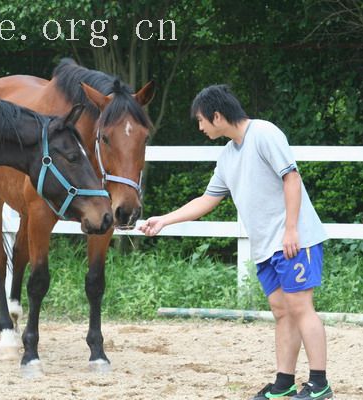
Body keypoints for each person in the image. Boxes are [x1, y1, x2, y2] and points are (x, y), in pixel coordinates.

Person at [139, 85, 333, 400]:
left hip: (293, 239)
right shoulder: (228, 156)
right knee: (281, 310)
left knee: (300, 307)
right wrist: (164, 220)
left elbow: (291, 178)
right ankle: (284, 383)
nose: (200, 127)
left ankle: (320, 383)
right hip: (266, 246)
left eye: (202, 120)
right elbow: (207, 199)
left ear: (217, 116)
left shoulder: (265, 133)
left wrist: (292, 230)